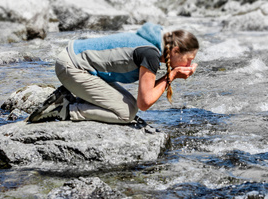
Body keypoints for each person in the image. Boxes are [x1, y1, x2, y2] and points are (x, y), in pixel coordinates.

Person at [28, 22, 199, 124]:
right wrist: (172, 76)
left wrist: (171, 75)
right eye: (189, 59)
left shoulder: (154, 43)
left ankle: (71, 97)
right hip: (72, 67)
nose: (190, 64)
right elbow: (144, 103)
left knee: (130, 106)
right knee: (127, 113)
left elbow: (144, 94)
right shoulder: (150, 53)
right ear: (176, 51)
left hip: (76, 62)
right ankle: (65, 109)